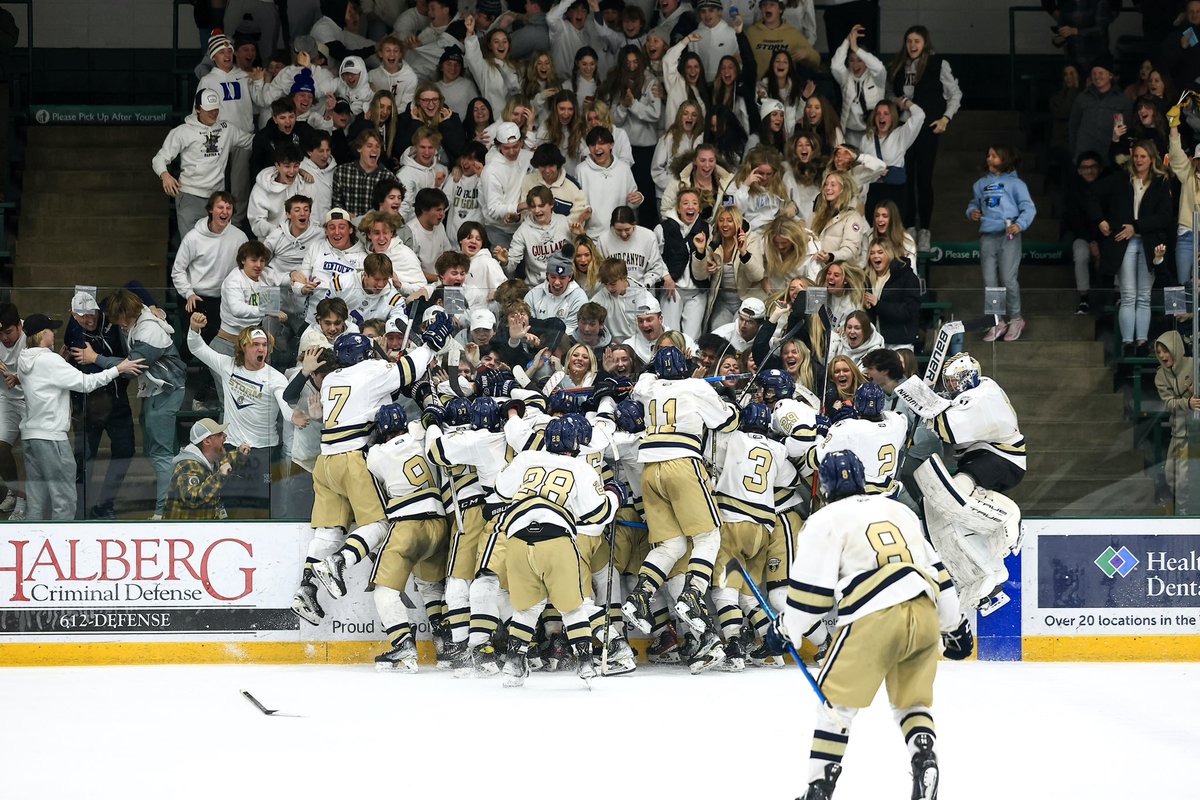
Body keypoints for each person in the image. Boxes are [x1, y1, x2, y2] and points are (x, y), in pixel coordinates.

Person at [770, 448, 970, 800]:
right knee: (913, 703)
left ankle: (819, 788)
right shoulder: (900, 510)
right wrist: (954, 627)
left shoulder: (825, 519)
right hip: (923, 610)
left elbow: (811, 599)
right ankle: (924, 758)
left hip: (872, 615)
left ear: (825, 487)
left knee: (835, 707)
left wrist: (785, 629)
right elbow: (938, 574)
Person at [297, 316, 453, 625]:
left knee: (329, 530)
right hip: (353, 459)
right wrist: (430, 344)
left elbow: (374, 396)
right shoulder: (372, 371)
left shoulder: (331, 379)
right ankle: (337, 563)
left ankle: (305, 589)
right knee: (380, 524)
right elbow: (408, 370)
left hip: (325, 463)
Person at [621, 345, 740, 664]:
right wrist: (730, 401)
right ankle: (693, 594)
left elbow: (643, 380)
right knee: (708, 536)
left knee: (669, 544)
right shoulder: (697, 386)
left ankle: (640, 597)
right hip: (682, 463)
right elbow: (725, 422)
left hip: (650, 469)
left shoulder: (646, 387)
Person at [495, 415, 624, 687]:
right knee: (573, 607)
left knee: (527, 609)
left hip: (516, 537)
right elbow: (597, 514)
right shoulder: (582, 468)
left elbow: (501, 489)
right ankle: (586, 666)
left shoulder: (527, 458)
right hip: (556, 538)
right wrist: (614, 495)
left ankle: (513, 666)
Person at [915, 352, 1024, 612]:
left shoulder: (984, 395)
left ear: (969, 377)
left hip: (1001, 458)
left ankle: (1008, 521)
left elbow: (948, 429)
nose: (952, 388)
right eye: (949, 383)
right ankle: (989, 577)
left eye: (955, 382)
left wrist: (925, 404)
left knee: (958, 490)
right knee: (955, 514)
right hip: (984, 458)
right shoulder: (978, 391)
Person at [16, 314, 144, 520]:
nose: (55, 332)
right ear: (42, 334)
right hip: (51, 437)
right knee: (64, 499)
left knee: (37, 498)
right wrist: (117, 369)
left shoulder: (24, 358)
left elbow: (44, 377)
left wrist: (61, 359)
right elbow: (85, 383)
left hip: (31, 437)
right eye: (51, 330)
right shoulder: (50, 360)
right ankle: (64, 545)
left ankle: (36, 545)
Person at [73, 290, 187, 519]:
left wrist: (96, 358)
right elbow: (130, 285)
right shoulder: (136, 313)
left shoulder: (149, 331)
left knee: (161, 454)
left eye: (122, 320)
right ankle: (174, 501)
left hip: (167, 391)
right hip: (154, 391)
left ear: (130, 314)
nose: (120, 325)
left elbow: (131, 367)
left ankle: (164, 512)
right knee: (154, 452)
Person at [365, 403, 450, 671]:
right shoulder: (420, 432)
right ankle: (444, 644)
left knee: (385, 591)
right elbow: (426, 423)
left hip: (408, 524)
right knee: (430, 585)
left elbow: (370, 456)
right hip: (439, 523)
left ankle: (403, 647)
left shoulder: (376, 454)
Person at [1089, 139, 1174, 357]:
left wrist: (1136, 226)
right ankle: (1128, 342)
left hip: (1148, 244)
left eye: (1143, 157)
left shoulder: (1161, 182)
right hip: (1122, 242)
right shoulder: (1120, 179)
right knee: (1128, 295)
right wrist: (1100, 219)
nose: (1138, 160)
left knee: (1143, 296)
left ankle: (1142, 341)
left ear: (1151, 158)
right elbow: (1092, 195)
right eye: (1136, 156)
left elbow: (1164, 217)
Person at [888, 25, 961, 251]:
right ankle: (909, 227)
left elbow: (955, 94)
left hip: (927, 129)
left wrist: (945, 119)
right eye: (909, 41)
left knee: (924, 181)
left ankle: (925, 230)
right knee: (906, 180)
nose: (912, 45)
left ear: (925, 43)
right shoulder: (898, 65)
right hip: (904, 129)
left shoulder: (937, 64)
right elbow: (888, 92)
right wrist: (897, 103)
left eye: (917, 41)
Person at [64, 292, 135, 520]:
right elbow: (90, 364)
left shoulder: (110, 318)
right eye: (82, 316)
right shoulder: (72, 331)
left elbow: (130, 287)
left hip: (116, 402)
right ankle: (81, 510)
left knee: (125, 451)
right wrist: (106, 360)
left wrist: (153, 306)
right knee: (85, 458)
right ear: (73, 315)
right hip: (88, 404)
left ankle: (105, 504)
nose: (89, 319)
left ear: (98, 309)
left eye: (92, 313)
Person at [152, 88, 254, 238]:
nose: (213, 113)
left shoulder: (227, 129)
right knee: (191, 245)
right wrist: (165, 175)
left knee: (217, 245)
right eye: (209, 110)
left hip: (217, 197)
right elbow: (159, 158)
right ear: (198, 109)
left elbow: (252, 142)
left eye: (216, 109)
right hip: (190, 195)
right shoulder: (183, 131)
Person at [966, 144, 1036, 343]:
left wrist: (1019, 225)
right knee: (990, 282)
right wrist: (972, 212)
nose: (989, 159)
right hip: (988, 236)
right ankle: (997, 321)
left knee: (1008, 279)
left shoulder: (1016, 184)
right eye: (988, 155)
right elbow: (974, 203)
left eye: (994, 156)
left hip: (1008, 235)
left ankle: (1016, 318)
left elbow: (1028, 208)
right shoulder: (980, 184)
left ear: (1005, 159)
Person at [165, 418, 249, 520]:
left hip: (204, 530)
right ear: (207, 441)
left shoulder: (213, 459)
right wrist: (219, 477)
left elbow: (227, 461)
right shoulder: (187, 466)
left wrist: (240, 454)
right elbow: (192, 498)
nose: (225, 436)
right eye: (219, 434)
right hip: (186, 532)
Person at [1155, 331, 1200, 515]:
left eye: (1165, 350)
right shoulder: (1160, 376)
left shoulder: (1194, 364)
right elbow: (1168, 403)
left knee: (1185, 479)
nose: (1163, 356)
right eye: (1159, 352)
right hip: (1179, 433)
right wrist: (1187, 402)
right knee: (1172, 477)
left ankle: (1184, 514)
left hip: (1195, 433)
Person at [577, 125, 642, 239]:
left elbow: (632, 203)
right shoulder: (581, 170)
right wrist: (584, 210)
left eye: (601, 143)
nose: (597, 148)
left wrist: (638, 198)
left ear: (611, 145)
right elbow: (578, 203)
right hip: (592, 236)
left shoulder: (623, 168)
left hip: (620, 235)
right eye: (592, 145)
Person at [1069, 54, 1132, 166]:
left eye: (1101, 73)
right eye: (1094, 73)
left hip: (1110, 158)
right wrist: (1074, 152)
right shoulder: (1081, 98)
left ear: (1110, 75)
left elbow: (1127, 130)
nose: (1097, 77)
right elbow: (1073, 126)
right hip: (1084, 157)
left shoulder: (1123, 100)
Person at [832, 24, 886, 148]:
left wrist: (856, 49)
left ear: (866, 62)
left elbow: (879, 67)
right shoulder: (846, 77)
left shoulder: (877, 78)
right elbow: (835, 66)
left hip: (872, 132)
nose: (855, 64)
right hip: (850, 133)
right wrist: (847, 40)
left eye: (860, 60)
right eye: (851, 60)